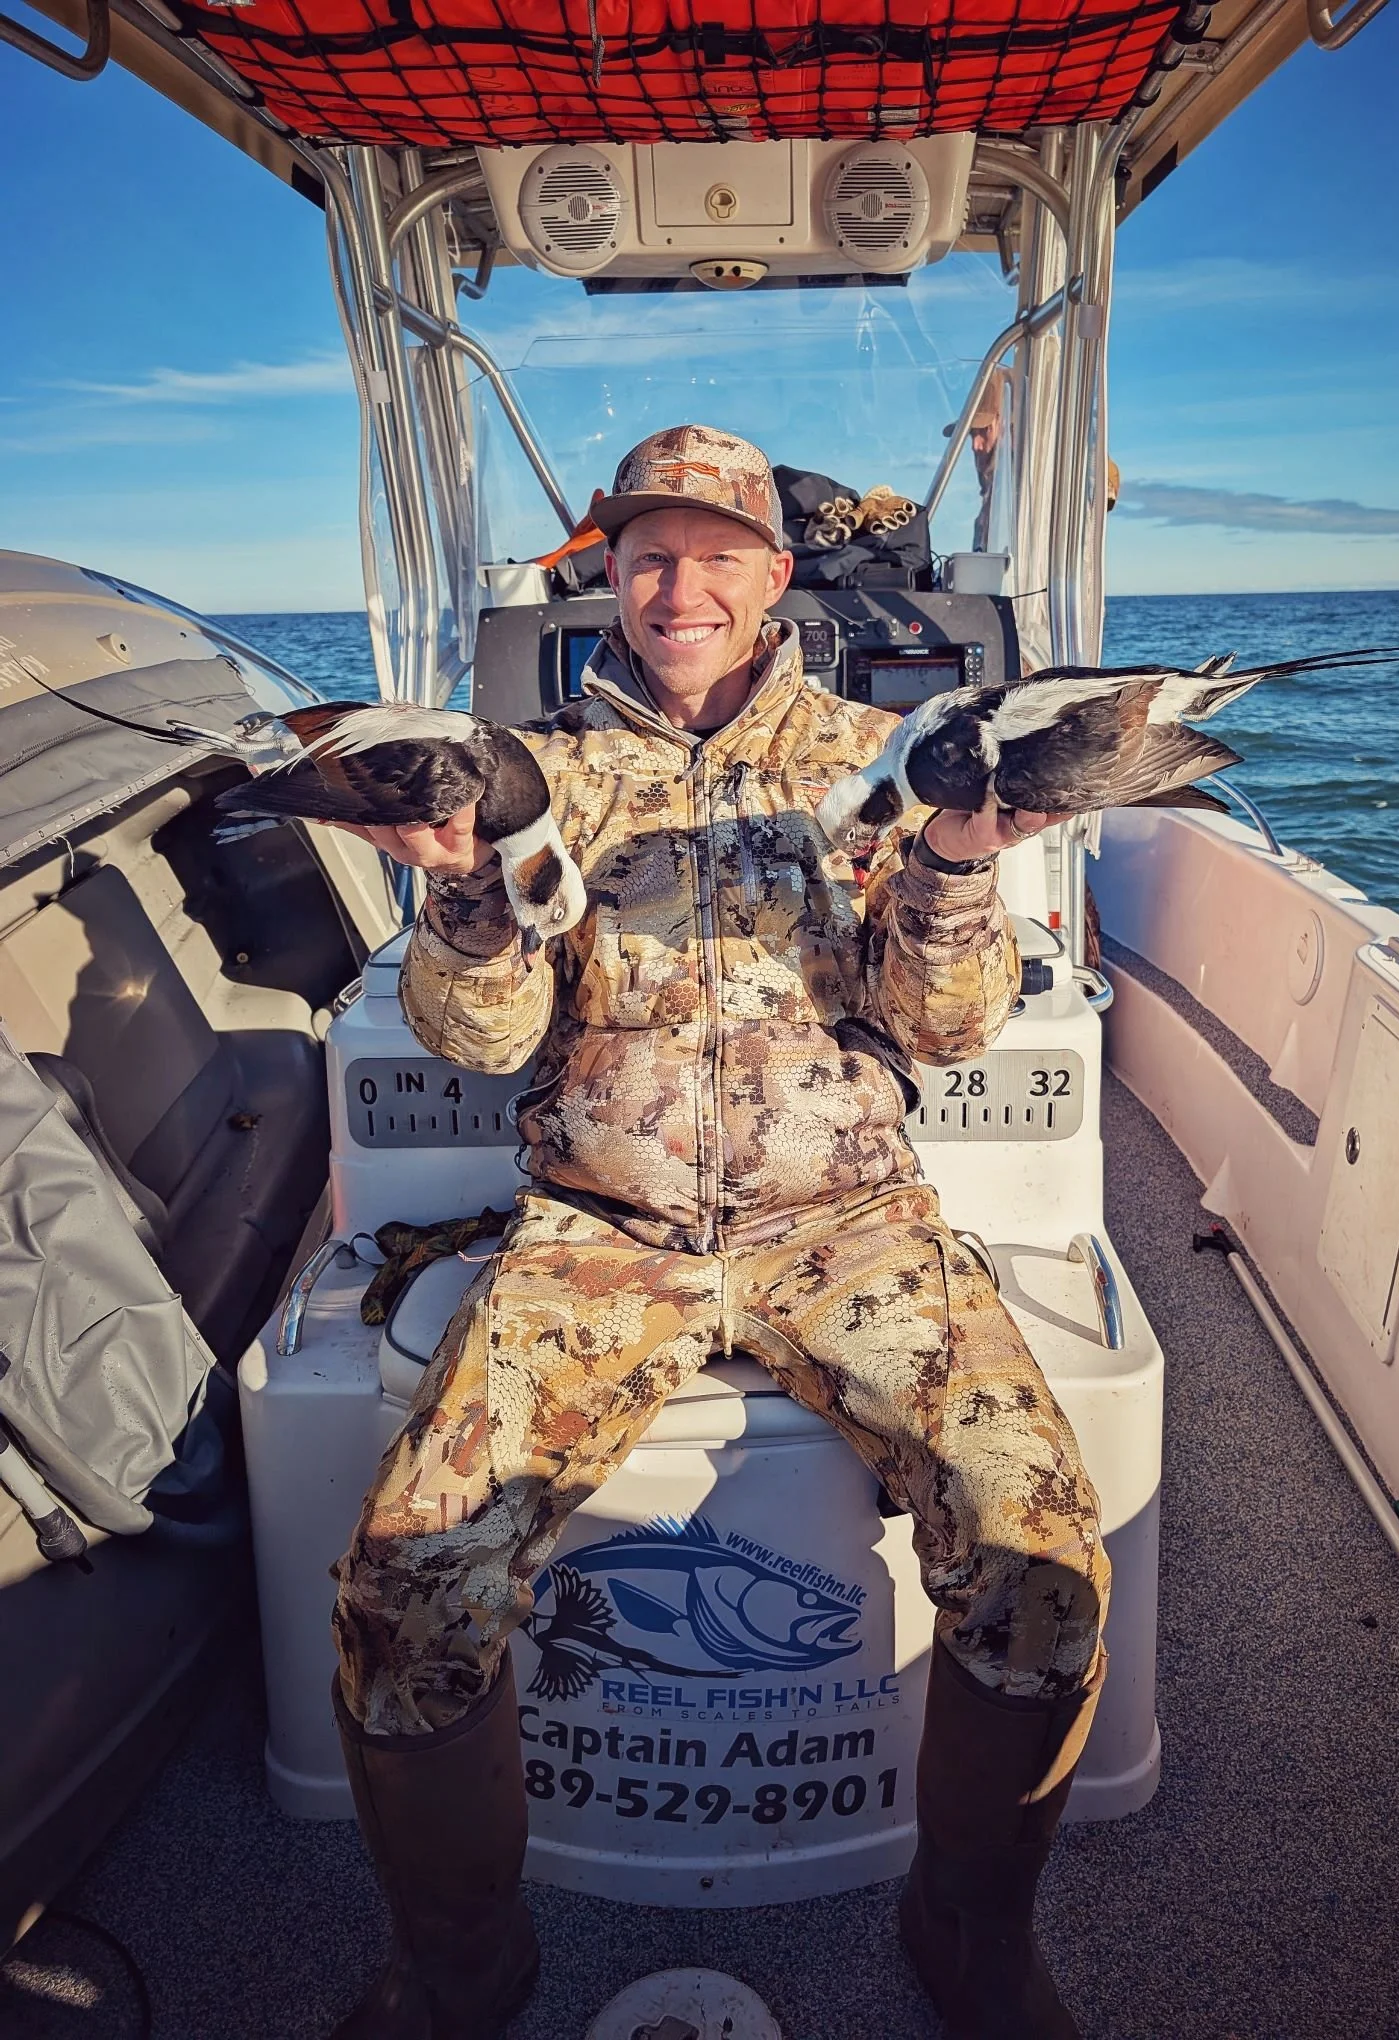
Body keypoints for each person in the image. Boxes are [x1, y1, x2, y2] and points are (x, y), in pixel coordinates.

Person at [327, 424, 1110, 2040]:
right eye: (649, 556)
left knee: (1040, 1555)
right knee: (405, 1587)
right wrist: (461, 892)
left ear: (775, 577)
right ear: (610, 574)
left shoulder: (890, 758)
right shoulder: (529, 773)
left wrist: (953, 867)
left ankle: (967, 1926)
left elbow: (945, 1028)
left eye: (718, 557)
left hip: (851, 1226)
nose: (680, 588)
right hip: (596, 1236)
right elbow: (479, 1042)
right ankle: (463, 1967)